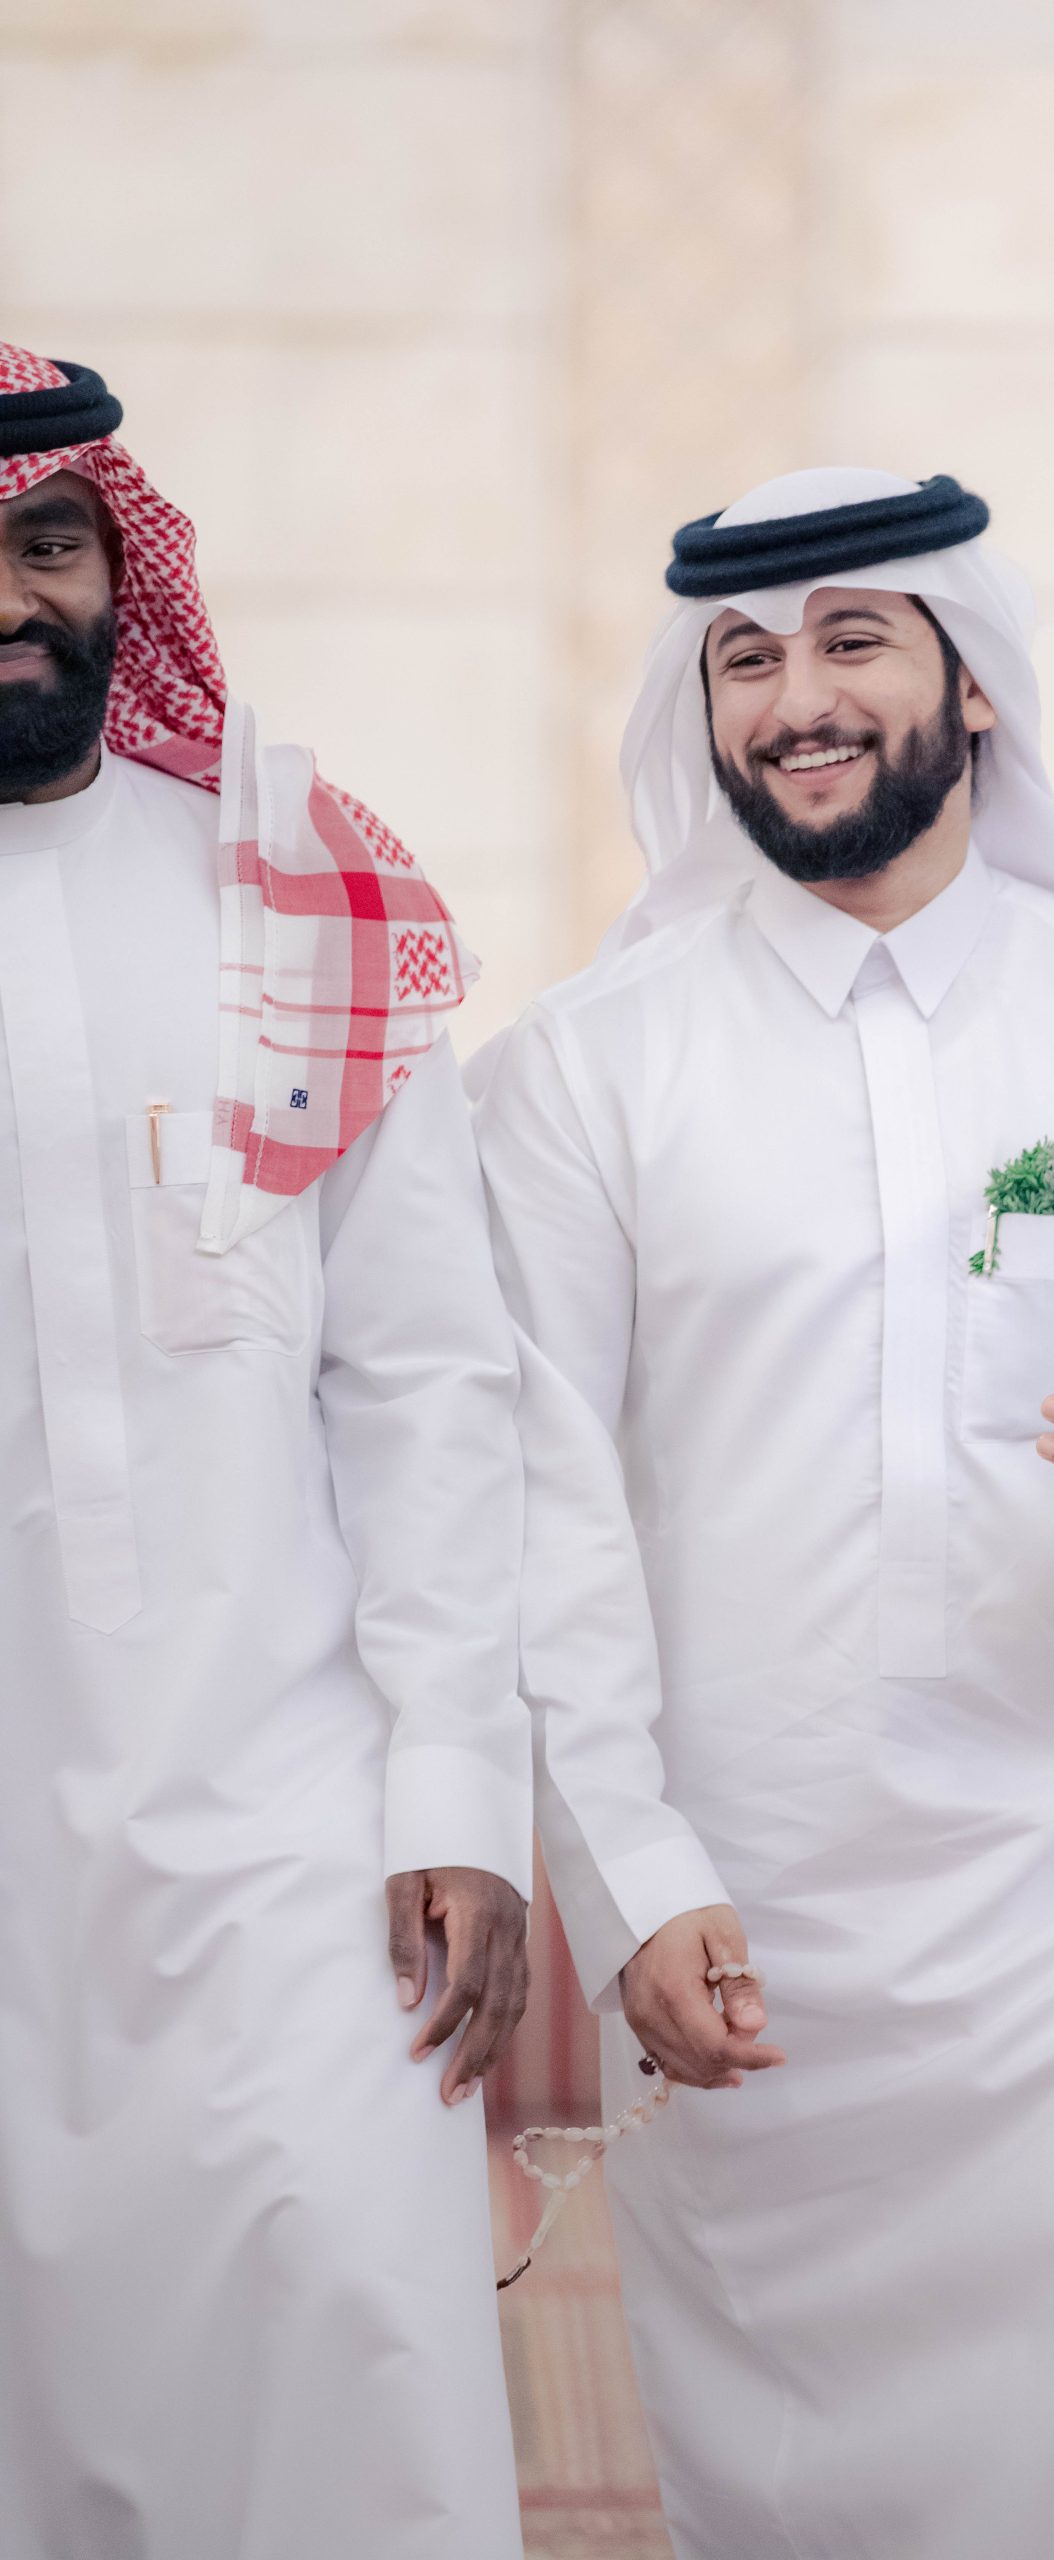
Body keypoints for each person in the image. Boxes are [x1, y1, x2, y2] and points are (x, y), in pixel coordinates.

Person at [474, 466, 1054, 2560]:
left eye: (849, 641)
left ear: (969, 681)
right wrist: (631, 1876)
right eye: (744, 658)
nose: (793, 696)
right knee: (822, 2489)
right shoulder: (580, 1074)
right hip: (764, 1913)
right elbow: (544, 1515)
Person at [0, 344, 533, 2557]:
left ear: (121, 572)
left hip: (288, 1822)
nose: (11, 597)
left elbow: (427, 1377)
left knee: (350, 2345)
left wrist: (457, 1779)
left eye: (46, 543)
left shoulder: (290, 891)